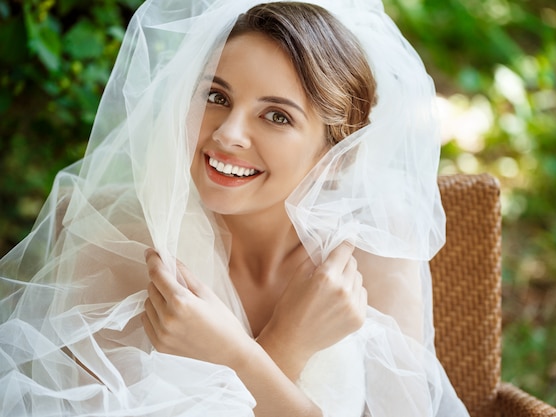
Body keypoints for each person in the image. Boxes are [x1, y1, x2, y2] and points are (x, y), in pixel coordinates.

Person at [0, 1, 469, 416]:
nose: (227, 134)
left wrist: (239, 357)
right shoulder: (119, 242)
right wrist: (280, 347)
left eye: (277, 115)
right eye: (216, 96)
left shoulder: (372, 258)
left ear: (336, 157)